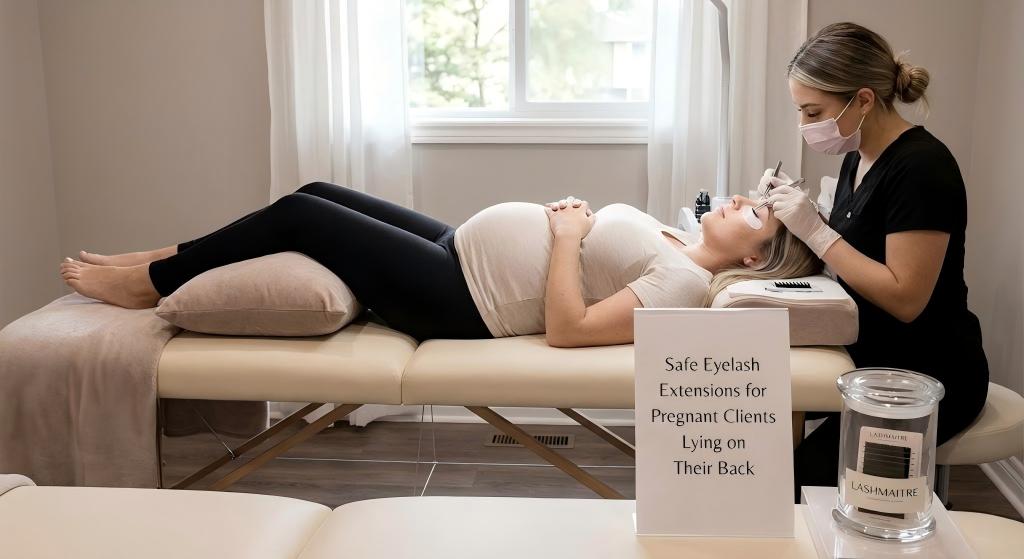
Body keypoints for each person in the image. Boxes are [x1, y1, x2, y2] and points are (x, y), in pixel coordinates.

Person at [60, 181, 819, 345]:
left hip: (460, 301)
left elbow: (570, 327)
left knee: (301, 217)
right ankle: (168, 255)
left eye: (753, 213)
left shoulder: (686, 282)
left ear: (757, 253)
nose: (738, 201)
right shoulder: (680, 238)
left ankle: (149, 281)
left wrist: (561, 238)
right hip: (457, 249)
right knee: (317, 190)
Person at [760, 22, 989, 500]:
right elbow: (860, 248)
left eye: (813, 111)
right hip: (869, 358)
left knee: (798, 485)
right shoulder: (859, 155)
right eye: (800, 111)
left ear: (863, 99)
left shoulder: (922, 167)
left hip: (926, 375)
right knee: (764, 437)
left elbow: (905, 298)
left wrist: (817, 232)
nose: (805, 126)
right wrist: (801, 217)